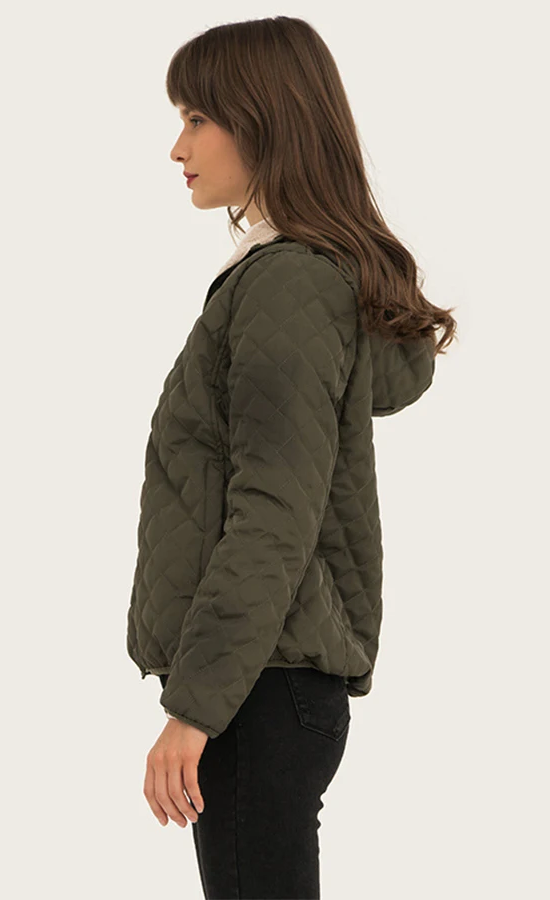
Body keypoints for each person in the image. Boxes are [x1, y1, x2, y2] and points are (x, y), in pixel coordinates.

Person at [126, 15, 457, 899]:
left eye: (197, 118)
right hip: (267, 686)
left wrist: (195, 708)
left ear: (262, 119)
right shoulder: (285, 279)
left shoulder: (286, 284)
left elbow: (274, 513)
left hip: (257, 691)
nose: (177, 147)